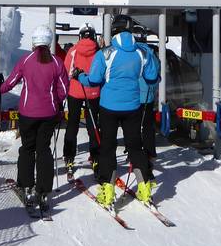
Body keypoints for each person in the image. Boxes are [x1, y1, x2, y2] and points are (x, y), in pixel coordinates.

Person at [76, 18, 160, 207]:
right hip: (133, 106)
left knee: (108, 147)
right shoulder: (141, 52)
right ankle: (145, 188)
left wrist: (80, 77)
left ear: (114, 33)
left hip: (109, 107)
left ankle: (107, 192)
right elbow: (152, 78)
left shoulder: (106, 53)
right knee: (135, 147)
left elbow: (94, 80)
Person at [0, 24, 68, 211]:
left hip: (28, 113)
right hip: (49, 114)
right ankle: (43, 191)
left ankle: (27, 187)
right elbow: (64, 89)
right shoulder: (56, 62)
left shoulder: (26, 60)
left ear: (34, 42)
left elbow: (11, 81)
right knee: (44, 150)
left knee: (27, 149)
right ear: (49, 42)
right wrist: (55, 101)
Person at [62, 24, 101, 178]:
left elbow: (67, 71)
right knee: (93, 125)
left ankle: (69, 157)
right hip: (94, 92)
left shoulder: (73, 51)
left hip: (75, 91)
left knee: (72, 124)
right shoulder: (98, 52)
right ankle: (96, 157)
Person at [133, 36, 162, 162]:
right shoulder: (152, 55)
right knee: (148, 126)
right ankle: (149, 153)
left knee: (133, 126)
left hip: (133, 95)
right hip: (148, 96)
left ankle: (133, 152)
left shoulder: (132, 54)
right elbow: (157, 75)